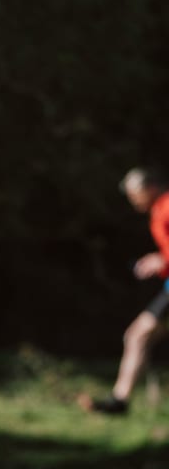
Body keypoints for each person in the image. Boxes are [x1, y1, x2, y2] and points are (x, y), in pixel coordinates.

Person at [79, 166, 169, 415]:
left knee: (138, 335)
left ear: (150, 188)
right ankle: (119, 400)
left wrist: (162, 260)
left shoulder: (166, 206)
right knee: (137, 335)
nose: (132, 201)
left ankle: (120, 400)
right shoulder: (159, 210)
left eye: (134, 194)